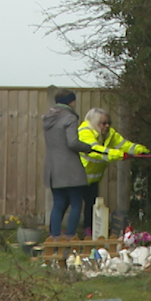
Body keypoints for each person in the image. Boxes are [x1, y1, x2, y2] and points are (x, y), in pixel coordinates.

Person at [77, 107, 150, 237]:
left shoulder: (109, 134)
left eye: (109, 123)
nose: (107, 126)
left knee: (92, 205)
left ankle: (88, 229)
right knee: (74, 205)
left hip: (93, 178)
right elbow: (96, 151)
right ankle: (68, 234)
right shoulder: (85, 132)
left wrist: (141, 150)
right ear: (95, 123)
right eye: (104, 123)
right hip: (78, 176)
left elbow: (125, 145)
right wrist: (120, 155)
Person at [41, 89, 94, 239]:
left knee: (58, 203)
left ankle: (55, 237)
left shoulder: (47, 118)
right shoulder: (69, 117)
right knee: (76, 203)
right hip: (70, 167)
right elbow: (73, 142)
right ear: (71, 101)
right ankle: (70, 236)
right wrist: (88, 148)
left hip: (52, 167)